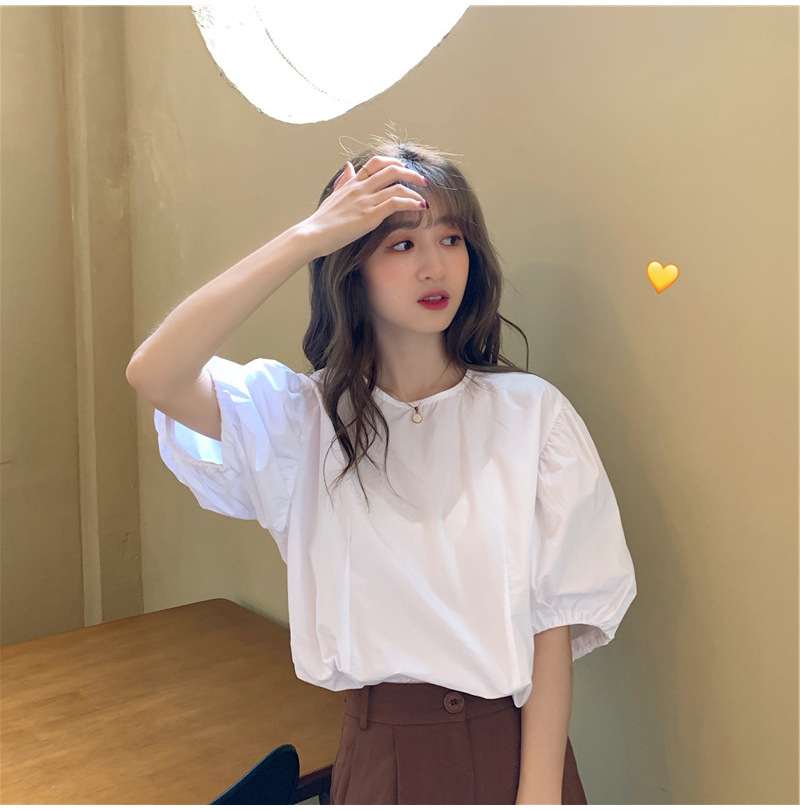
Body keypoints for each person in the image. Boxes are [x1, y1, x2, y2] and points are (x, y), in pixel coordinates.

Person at [126, 137, 637, 805]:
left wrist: (537, 797)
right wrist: (307, 238)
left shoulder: (532, 416)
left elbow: (551, 627)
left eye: (451, 239)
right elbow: (155, 373)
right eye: (402, 245)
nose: (435, 266)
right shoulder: (300, 423)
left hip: (513, 756)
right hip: (380, 759)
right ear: (351, 267)